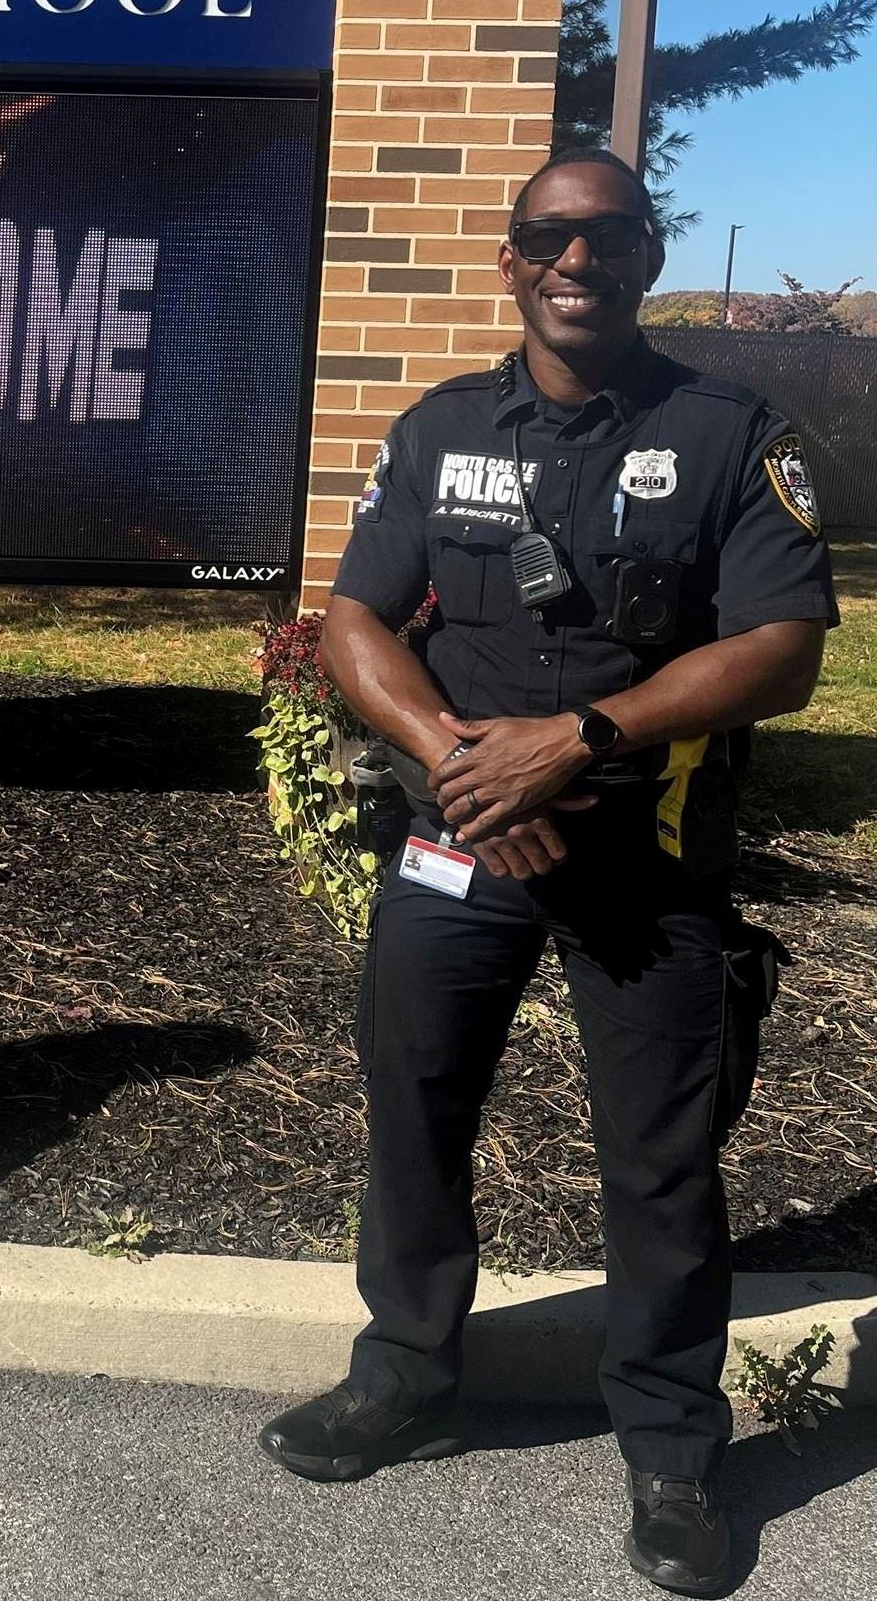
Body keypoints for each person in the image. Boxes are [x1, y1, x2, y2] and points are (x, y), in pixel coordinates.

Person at [256, 152, 836, 1597]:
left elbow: (782, 651)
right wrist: (462, 762)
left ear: (645, 258)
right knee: (413, 1104)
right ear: (510, 262)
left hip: (647, 857)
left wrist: (575, 740)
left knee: (658, 1155)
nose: (579, 259)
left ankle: (670, 1447)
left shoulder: (727, 431)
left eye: (609, 235)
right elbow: (351, 620)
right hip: (458, 840)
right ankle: (402, 1373)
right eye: (549, 237)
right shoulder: (439, 427)